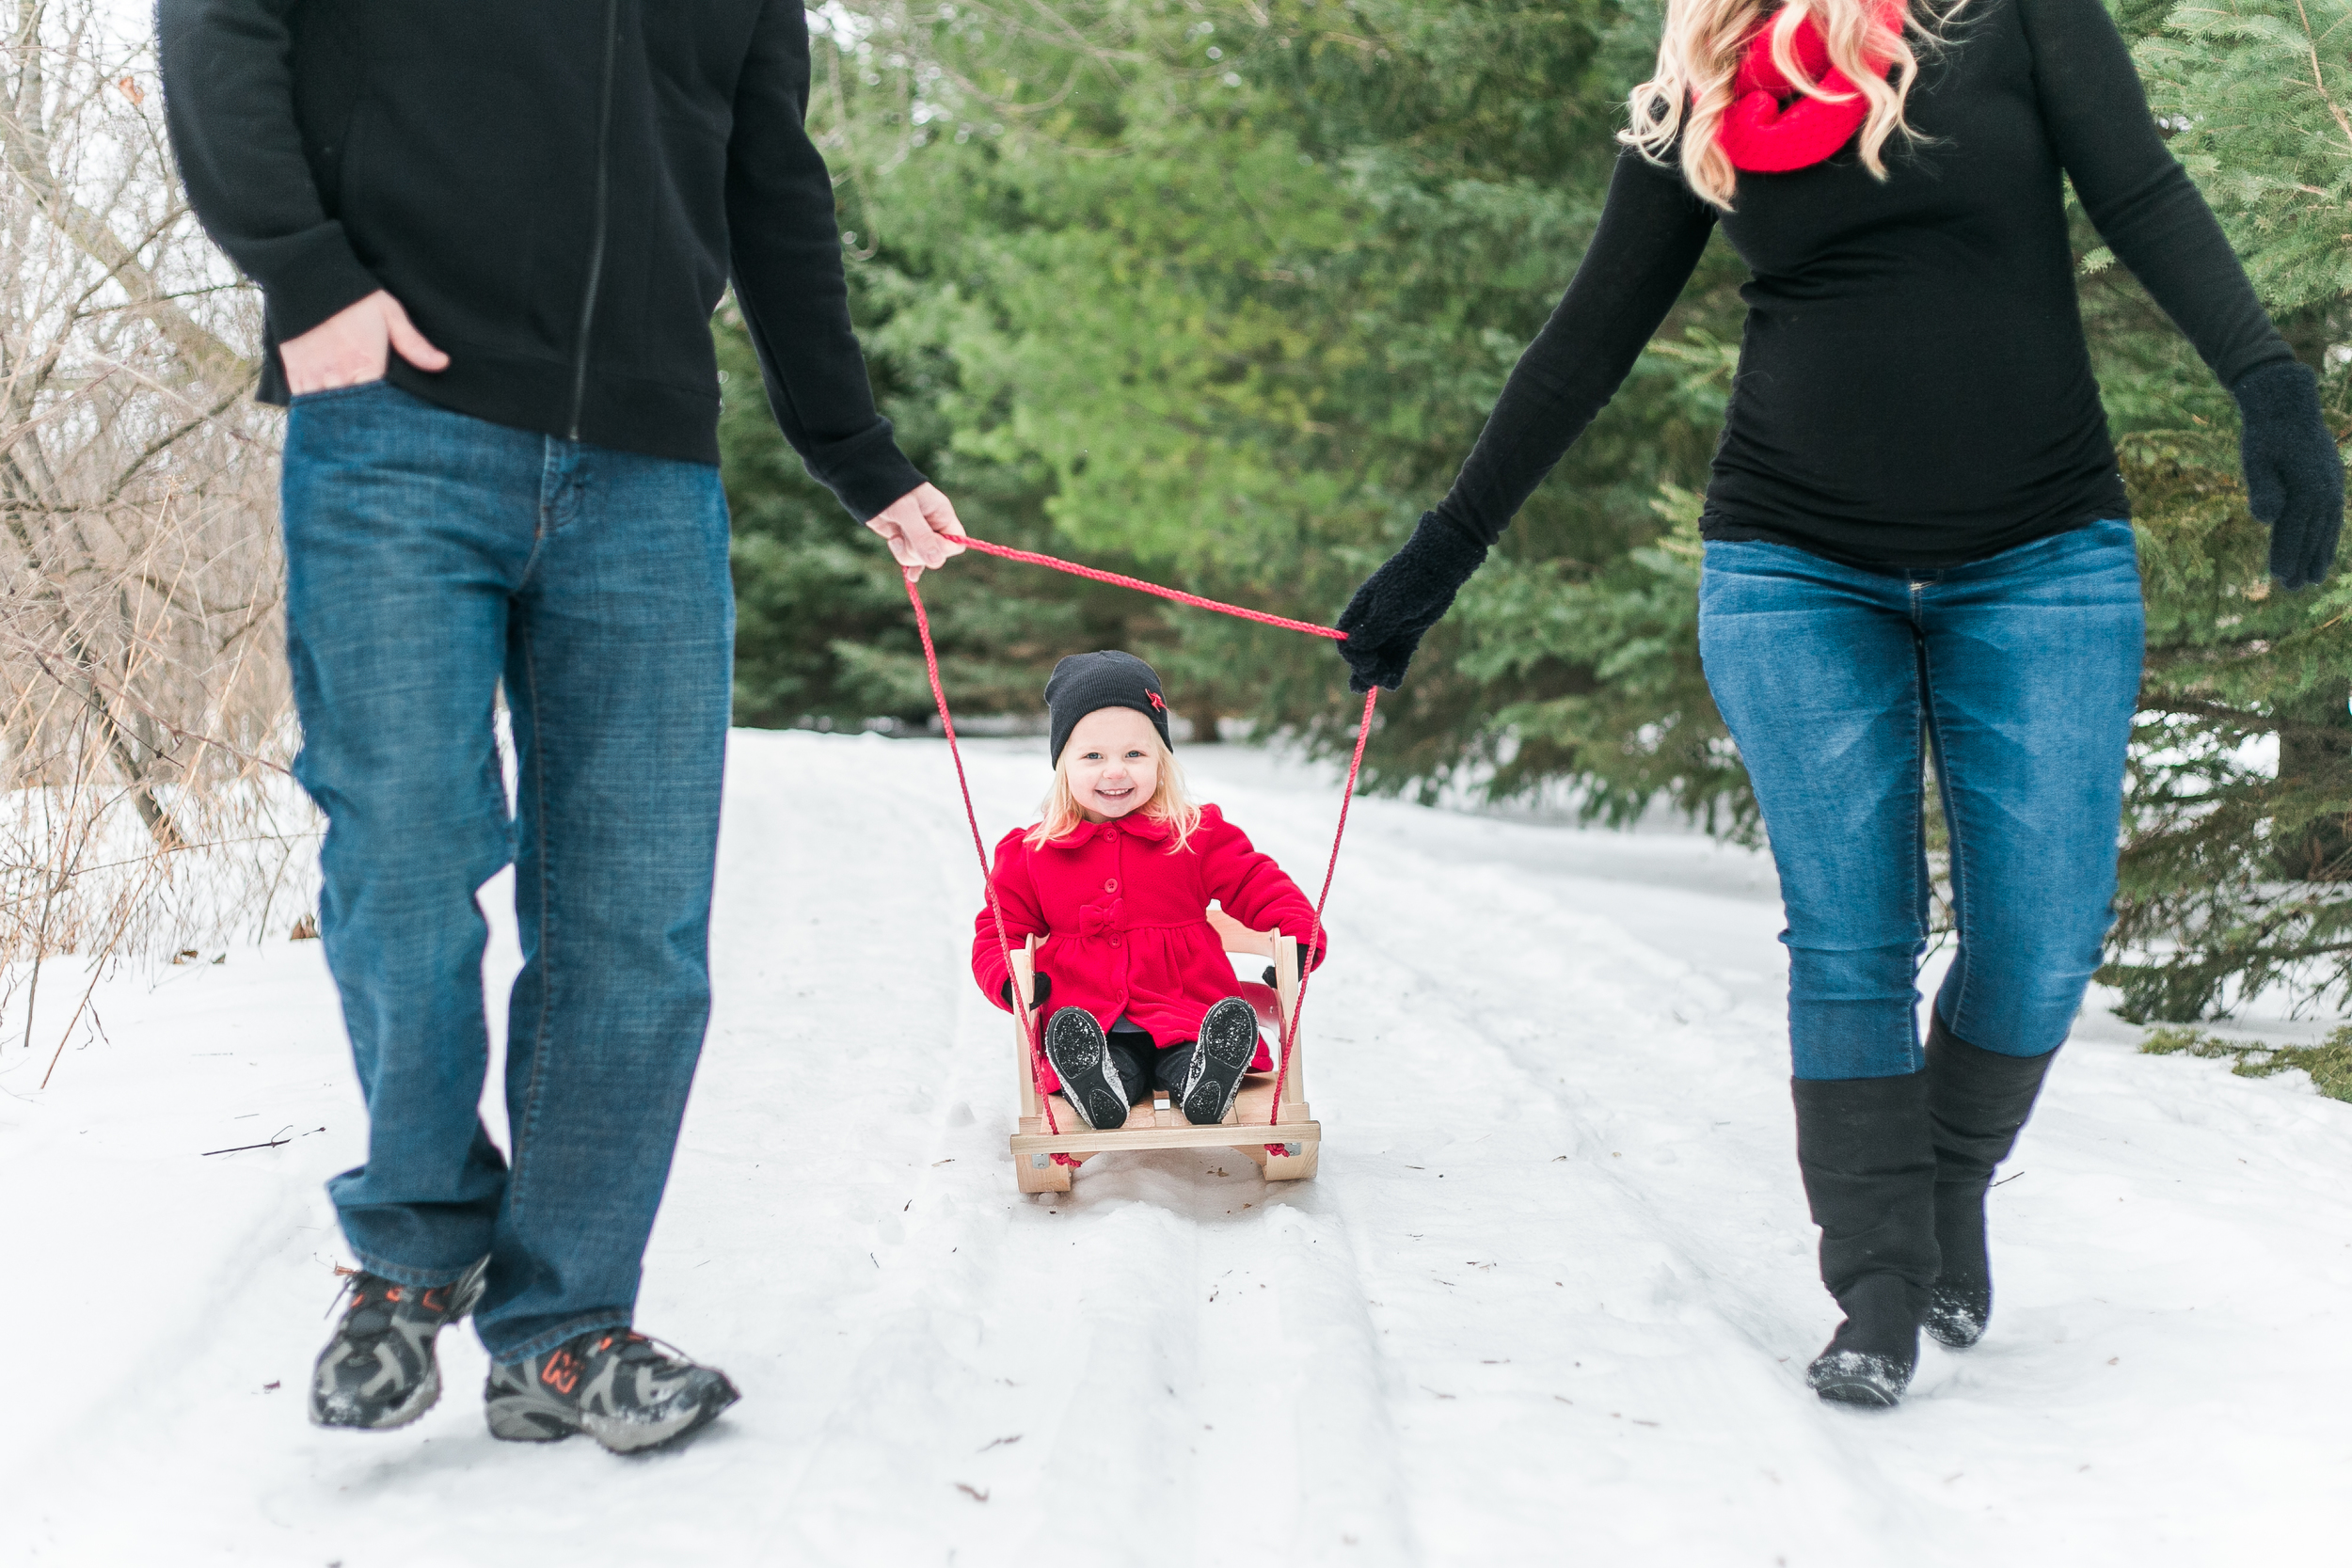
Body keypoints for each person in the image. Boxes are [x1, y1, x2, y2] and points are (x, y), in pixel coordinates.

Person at [1333, 0, 2343, 1407]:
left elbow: (2145, 193)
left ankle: (1946, 1182)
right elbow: (1584, 343)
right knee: (1855, 933)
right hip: (1791, 567)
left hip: (2042, 554)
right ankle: (1875, 1281)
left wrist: (2270, 383)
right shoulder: (1706, 74)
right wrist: (1441, 551)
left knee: (2046, 933)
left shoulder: (2020, 17)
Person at [156, 0, 966, 1452]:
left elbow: (770, 182)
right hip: (399, 425)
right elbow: (221, 22)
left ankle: (566, 1328)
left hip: (648, 471)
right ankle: (413, 1244)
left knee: (636, 924)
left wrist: (855, 451)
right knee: (404, 845)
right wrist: (304, 274)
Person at [973, 653, 1326, 1130]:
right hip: (1089, 1019)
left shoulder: (1194, 835)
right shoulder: (1032, 853)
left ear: (1161, 760)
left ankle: (1206, 1078)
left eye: (1134, 754)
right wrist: (1010, 981)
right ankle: (1098, 1085)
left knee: (1188, 1048)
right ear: (1063, 764)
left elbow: (1256, 881)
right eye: (1093, 756)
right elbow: (1000, 931)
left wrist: (1300, 935)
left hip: (1185, 1007)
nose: (1115, 771)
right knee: (1109, 1058)